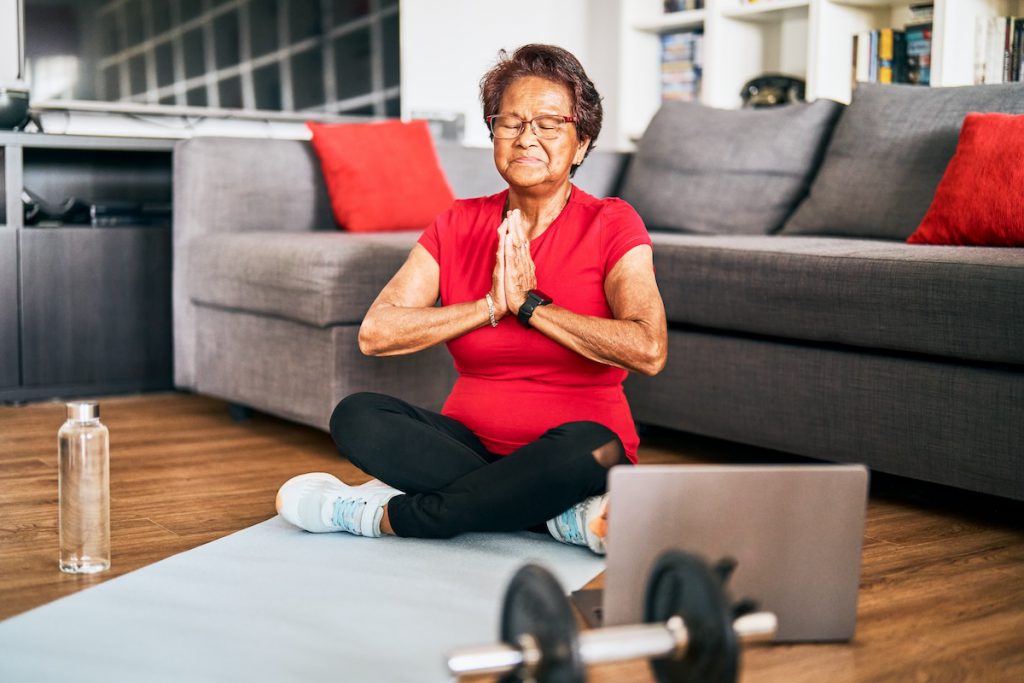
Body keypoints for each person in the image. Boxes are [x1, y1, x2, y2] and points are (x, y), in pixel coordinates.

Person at [276, 44, 667, 554]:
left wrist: (530, 306)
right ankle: (551, 517)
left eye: (549, 124)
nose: (527, 138)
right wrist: (489, 306)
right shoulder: (458, 222)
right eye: (511, 122)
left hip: (574, 453)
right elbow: (376, 333)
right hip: (466, 447)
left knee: (591, 450)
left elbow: (648, 348)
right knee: (356, 416)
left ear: (582, 144)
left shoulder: (611, 222)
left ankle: (390, 517)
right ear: (493, 134)